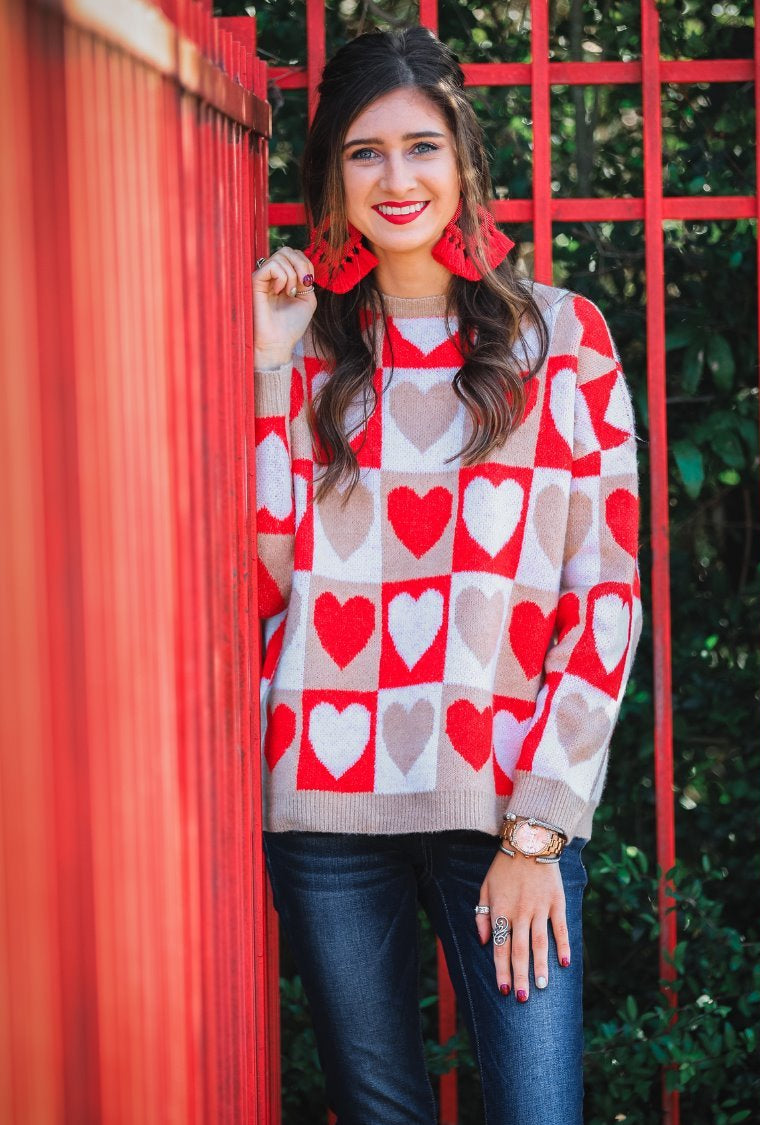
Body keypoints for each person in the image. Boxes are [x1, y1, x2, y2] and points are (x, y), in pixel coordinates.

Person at [250, 25, 641, 1125]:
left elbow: (603, 596)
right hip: (327, 810)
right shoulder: (308, 349)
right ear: (330, 177)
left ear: (464, 159)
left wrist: (539, 832)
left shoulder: (563, 338)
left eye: (421, 146)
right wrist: (270, 369)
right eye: (364, 154)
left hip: (502, 811)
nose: (397, 177)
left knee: (537, 1112)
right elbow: (264, 579)